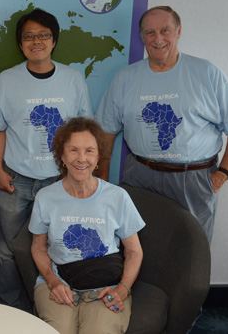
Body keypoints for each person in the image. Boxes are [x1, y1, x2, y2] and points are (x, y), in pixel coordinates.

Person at [95, 6, 228, 242]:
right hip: (139, 176)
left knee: (191, 252)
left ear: (178, 32)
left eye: (165, 30)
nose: (158, 39)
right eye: (150, 32)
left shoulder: (207, 73)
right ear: (142, 37)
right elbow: (104, 132)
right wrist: (102, 180)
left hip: (193, 180)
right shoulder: (125, 78)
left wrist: (222, 175)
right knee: (138, 247)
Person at [0, 8, 92, 312]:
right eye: (29, 36)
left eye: (43, 35)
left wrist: (76, 176)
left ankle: (49, 309)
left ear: (53, 41)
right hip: (15, 181)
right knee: (7, 251)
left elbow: (84, 134)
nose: (36, 41)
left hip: (60, 181)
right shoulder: (7, 80)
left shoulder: (72, 79)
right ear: (20, 44)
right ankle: (9, 309)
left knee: (58, 247)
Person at [29, 117, 145, 333]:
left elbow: (134, 251)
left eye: (89, 151)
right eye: (73, 150)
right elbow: (38, 247)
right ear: (62, 156)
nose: (81, 159)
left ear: (99, 156)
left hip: (105, 286)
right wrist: (52, 281)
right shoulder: (45, 198)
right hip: (59, 281)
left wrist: (123, 289)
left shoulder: (118, 197)